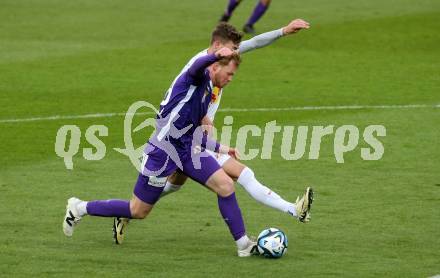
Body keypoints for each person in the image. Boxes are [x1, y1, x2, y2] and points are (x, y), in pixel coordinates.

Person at [113, 20, 314, 246]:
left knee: (174, 184)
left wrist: (283, 31)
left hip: (191, 135)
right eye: (231, 49)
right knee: (241, 174)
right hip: (188, 136)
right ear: (217, 46)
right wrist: (207, 130)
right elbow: (190, 98)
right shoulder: (201, 66)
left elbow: (255, 42)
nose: (234, 54)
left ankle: (128, 211)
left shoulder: (224, 57)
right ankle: (292, 211)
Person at [63, 48, 262, 257]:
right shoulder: (194, 78)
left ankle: (243, 245)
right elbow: (196, 66)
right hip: (162, 152)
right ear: (214, 67)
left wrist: (221, 148)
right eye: (229, 73)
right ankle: (79, 208)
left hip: (186, 150)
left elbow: (193, 133)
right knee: (137, 210)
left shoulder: (207, 94)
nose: (231, 79)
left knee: (226, 185)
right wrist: (214, 55)